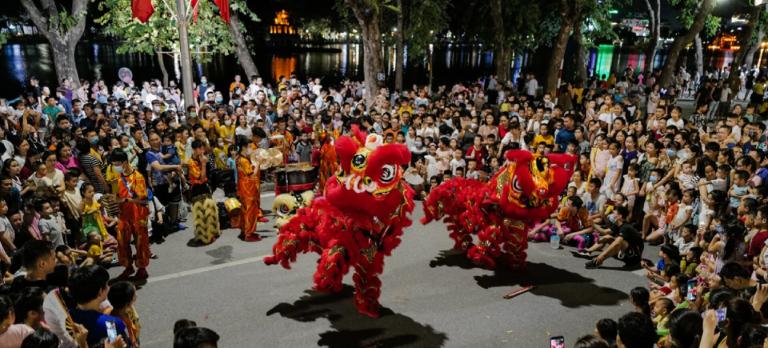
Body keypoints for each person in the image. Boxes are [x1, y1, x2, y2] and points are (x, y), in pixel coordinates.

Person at [111, 149, 150, 280]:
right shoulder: (115, 178)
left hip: (138, 213)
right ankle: (128, 267)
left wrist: (127, 199)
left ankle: (142, 267)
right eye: (113, 164)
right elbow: (115, 196)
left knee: (140, 241)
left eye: (117, 164)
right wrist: (112, 200)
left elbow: (142, 198)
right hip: (123, 214)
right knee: (122, 241)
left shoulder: (138, 177)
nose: (115, 167)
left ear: (125, 162)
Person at [69, 266, 128, 347]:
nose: (109, 287)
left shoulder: (67, 315)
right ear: (100, 292)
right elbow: (115, 344)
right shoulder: (110, 324)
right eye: (107, 284)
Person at [187, 140, 220, 246]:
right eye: (199, 149)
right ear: (194, 149)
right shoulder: (191, 162)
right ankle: (204, 237)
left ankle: (213, 232)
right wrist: (203, 164)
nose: (202, 151)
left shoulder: (204, 157)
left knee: (210, 211)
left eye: (202, 148)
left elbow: (210, 174)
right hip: (197, 189)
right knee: (201, 215)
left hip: (206, 187)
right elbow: (200, 177)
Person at [236, 137, 263, 242]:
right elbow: (252, 174)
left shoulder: (240, 158)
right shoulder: (243, 160)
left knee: (245, 210)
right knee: (250, 211)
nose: (251, 149)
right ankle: (248, 233)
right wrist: (258, 163)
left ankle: (245, 231)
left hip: (243, 187)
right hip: (248, 189)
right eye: (249, 147)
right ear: (244, 147)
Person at [108, 282, 140, 347]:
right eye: (134, 295)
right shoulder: (111, 323)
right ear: (127, 302)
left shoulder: (129, 310)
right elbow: (113, 343)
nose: (137, 296)